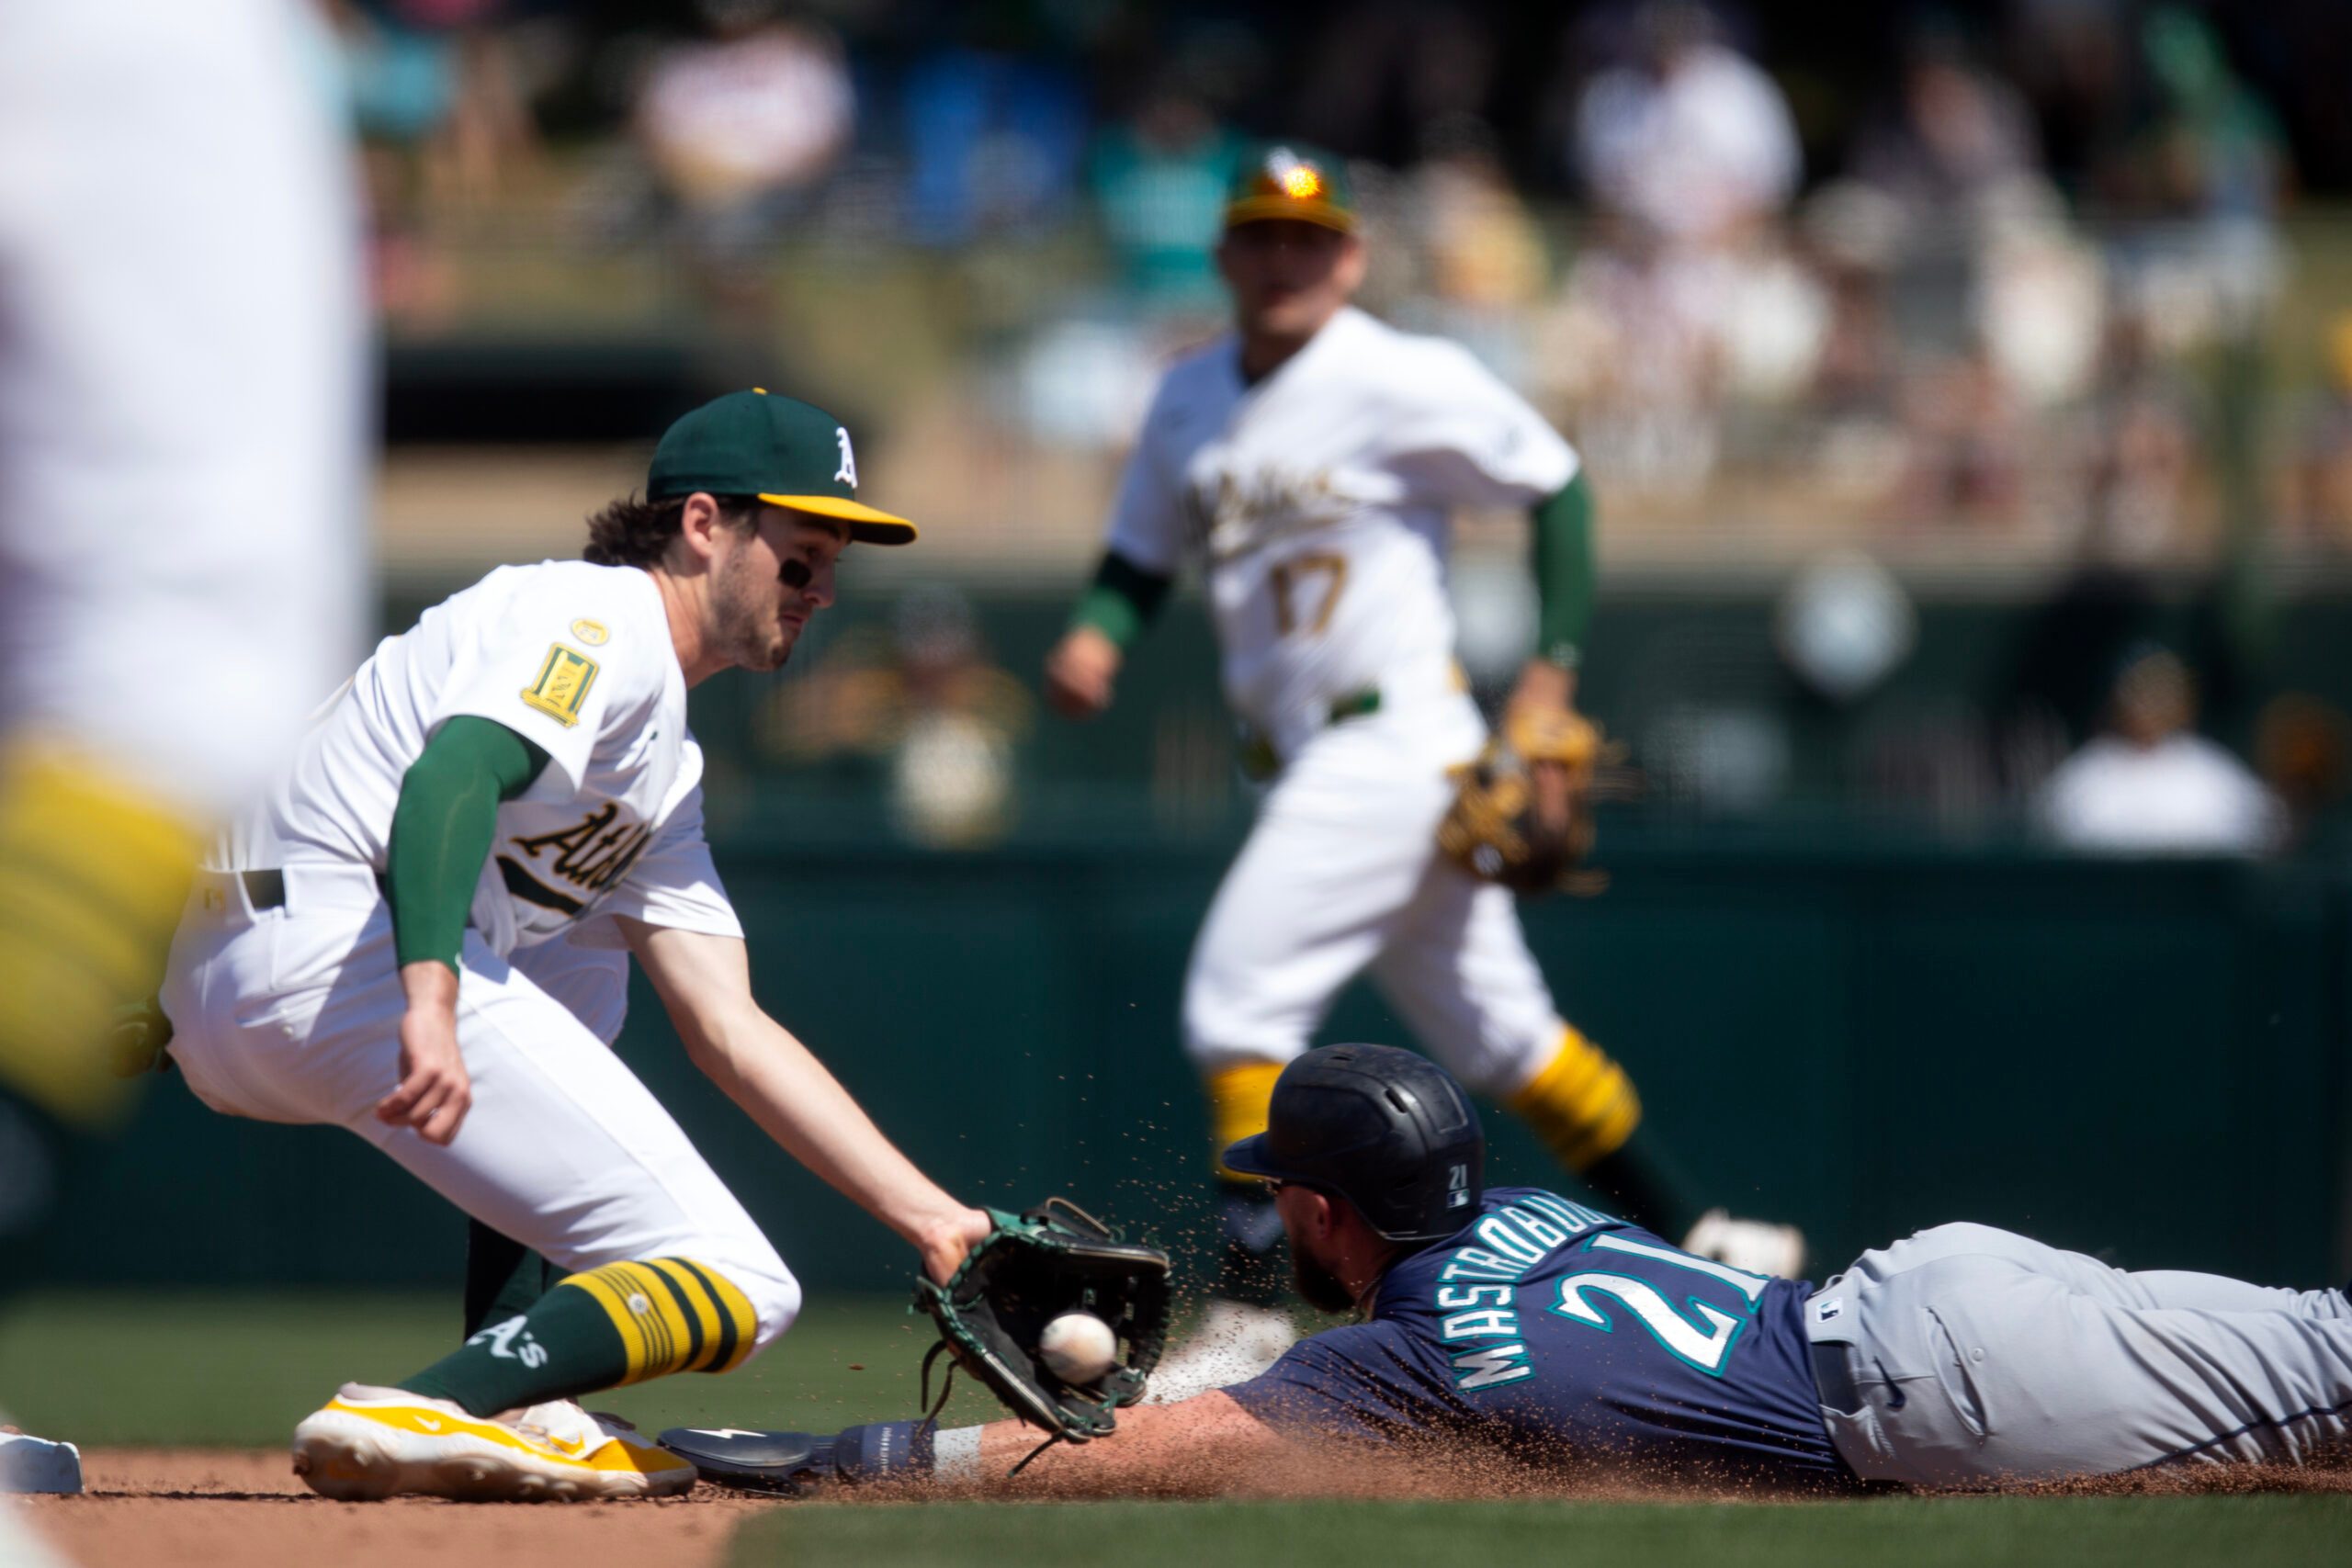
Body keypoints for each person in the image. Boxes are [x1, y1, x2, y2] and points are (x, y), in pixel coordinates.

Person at [1041, 142, 1802, 1402]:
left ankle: (1248, 1304)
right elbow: (1138, 554)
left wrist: (1548, 677)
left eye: (1312, 239)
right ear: (1226, 254)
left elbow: (1556, 485)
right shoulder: (1187, 399)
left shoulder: (1397, 376)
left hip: (1391, 738)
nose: (1287, 259)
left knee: (1237, 1000)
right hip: (1297, 759)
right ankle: (1704, 1235)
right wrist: (1092, 635)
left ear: (1350, 257)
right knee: (1508, 1034)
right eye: (1262, 238)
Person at [155, 389, 991, 1502]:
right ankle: (436, 1402)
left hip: (242, 978)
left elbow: (732, 1029)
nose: (823, 589)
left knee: (580, 979)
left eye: (833, 564)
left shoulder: (664, 772)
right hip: (339, 947)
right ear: (705, 526)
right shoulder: (596, 620)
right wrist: (431, 997)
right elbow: (451, 776)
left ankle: (520, 1399)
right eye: (800, 556)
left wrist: (937, 1223)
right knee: (743, 1282)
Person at [753, 1042, 2352, 1496]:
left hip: (1948, 1395)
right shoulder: (1529, 1216)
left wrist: (860, 1453)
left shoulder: (1404, 1353)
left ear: (1319, 1210)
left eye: (1284, 1198)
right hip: (1937, 1290)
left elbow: (1169, 1450)